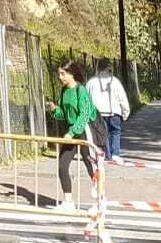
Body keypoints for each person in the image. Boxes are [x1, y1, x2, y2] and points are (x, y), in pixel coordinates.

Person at [51, 60, 98, 209]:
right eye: (59, 74)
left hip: (84, 131)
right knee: (62, 165)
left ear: (71, 74)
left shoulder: (81, 90)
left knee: (91, 165)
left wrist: (72, 132)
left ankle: (100, 200)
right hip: (71, 132)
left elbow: (84, 115)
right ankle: (68, 201)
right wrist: (54, 110)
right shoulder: (64, 91)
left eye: (63, 74)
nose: (60, 77)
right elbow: (64, 114)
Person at [86, 63, 131, 162]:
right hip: (114, 112)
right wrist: (125, 112)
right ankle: (115, 154)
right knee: (115, 132)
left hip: (98, 113)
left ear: (98, 69)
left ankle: (105, 154)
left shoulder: (91, 82)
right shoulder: (115, 81)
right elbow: (122, 98)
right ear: (109, 69)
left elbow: (86, 98)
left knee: (102, 134)